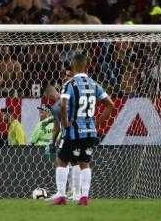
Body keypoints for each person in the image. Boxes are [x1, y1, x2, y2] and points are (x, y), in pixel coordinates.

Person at [52, 53, 115, 206]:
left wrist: (66, 123)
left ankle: (61, 196)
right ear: (85, 65)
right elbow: (111, 105)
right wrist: (98, 123)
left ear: (73, 65)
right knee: (84, 163)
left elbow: (63, 105)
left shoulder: (69, 84)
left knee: (61, 161)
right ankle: (84, 197)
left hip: (74, 131)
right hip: (90, 132)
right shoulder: (95, 84)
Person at [44, 85, 82, 202]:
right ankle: (76, 194)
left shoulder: (56, 107)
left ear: (51, 95)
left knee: (60, 162)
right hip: (80, 133)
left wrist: (52, 142)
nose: (49, 101)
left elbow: (56, 128)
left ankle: (63, 193)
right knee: (75, 162)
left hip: (68, 135)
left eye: (48, 99)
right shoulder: (70, 99)